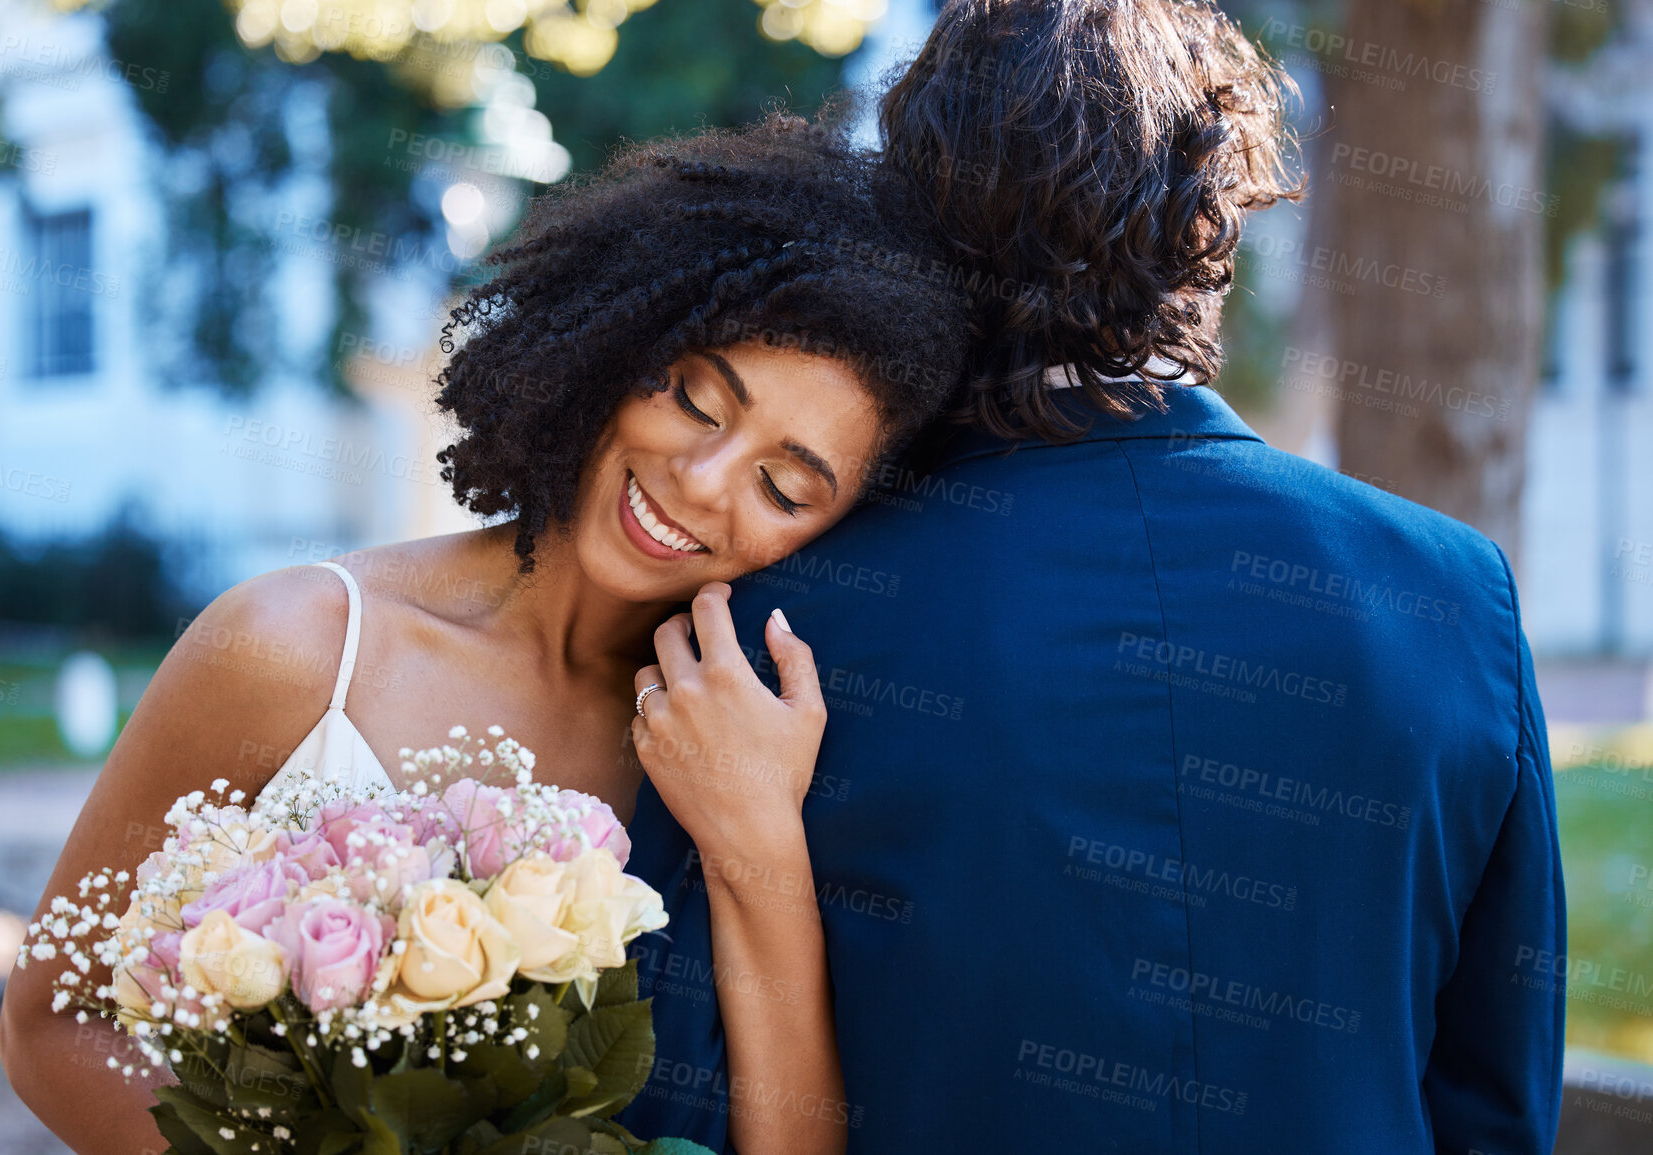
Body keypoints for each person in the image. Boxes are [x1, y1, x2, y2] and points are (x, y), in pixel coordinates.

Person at [619, 1, 1566, 1152]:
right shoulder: (1458, 596)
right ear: (1213, 226)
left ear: (921, 230)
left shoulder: (765, 629)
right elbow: (1496, 1105)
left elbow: (676, 1100)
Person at [0, 113, 970, 1155]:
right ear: (617, 337)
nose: (700, 482)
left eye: (782, 485)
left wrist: (757, 840)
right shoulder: (291, 647)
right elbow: (54, 1020)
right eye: (694, 397)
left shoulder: (751, 748)